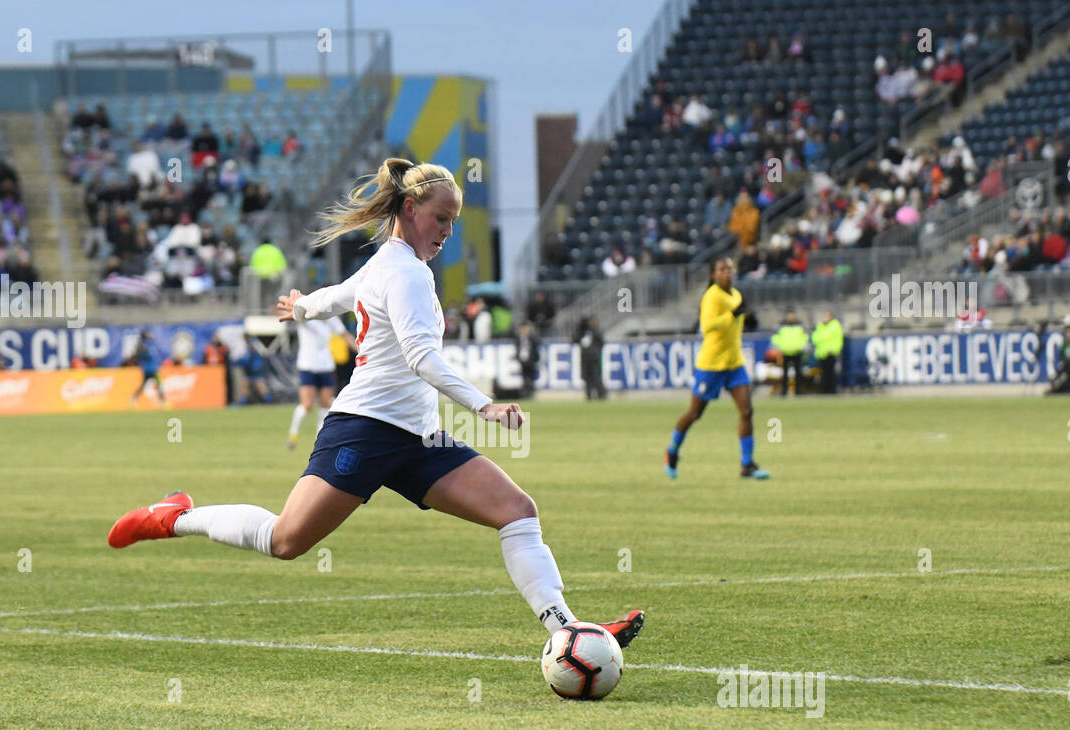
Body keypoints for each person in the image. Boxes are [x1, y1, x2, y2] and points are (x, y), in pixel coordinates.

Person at [107, 158, 644, 648]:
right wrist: (484, 407)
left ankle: (569, 630)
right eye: (441, 219)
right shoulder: (404, 272)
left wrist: (301, 308)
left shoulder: (390, 264)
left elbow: (338, 295)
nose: (447, 232)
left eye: (453, 221)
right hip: (364, 429)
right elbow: (421, 359)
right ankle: (175, 517)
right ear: (410, 209)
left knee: (517, 512)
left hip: (418, 438)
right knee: (286, 539)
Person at [664, 258, 769, 480]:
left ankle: (746, 465)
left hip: (734, 363)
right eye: (722, 270)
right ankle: (672, 451)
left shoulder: (736, 295)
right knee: (694, 414)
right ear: (713, 274)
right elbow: (708, 325)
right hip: (711, 365)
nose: (727, 273)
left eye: (730, 269)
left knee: (747, 411)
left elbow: (735, 324)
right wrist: (732, 315)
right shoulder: (712, 296)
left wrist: (748, 320)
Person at [287, 314, 357, 449]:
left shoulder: (331, 318)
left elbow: (345, 335)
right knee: (307, 405)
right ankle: (293, 433)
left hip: (326, 365)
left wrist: (362, 352)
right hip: (308, 365)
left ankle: (319, 438)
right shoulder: (307, 316)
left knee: (326, 404)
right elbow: (295, 316)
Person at [771, 308, 808, 396]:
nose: (791, 317)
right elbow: (776, 337)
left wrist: (802, 346)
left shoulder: (800, 325)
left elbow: (804, 337)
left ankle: (798, 392)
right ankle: (784, 392)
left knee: (798, 374)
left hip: (797, 352)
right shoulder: (781, 325)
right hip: (785, 352)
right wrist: (778, 347)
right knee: (785, 374)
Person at [575, 316, 607, 400]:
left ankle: (602, 394)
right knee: (587, 377)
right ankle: (589, 395)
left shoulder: (596, 331)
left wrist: (597, 351)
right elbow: (574, 338)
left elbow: (601, 341)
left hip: (594, 358)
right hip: (585, 357)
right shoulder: (582, 331)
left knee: (596, 376)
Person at [812, 311, 844, 394]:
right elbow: (815, 338)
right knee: (823, 373)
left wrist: (835, 349)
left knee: (831, 373)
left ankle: (832, 390)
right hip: (822, 353)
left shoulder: (835, 325)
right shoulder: (821, 326)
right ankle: (824, 390)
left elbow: (836, 338)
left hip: (831, 352)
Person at [130, 330, 165, 406]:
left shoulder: (151, 344)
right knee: (159, 384)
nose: (151, 335)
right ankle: (162, 402)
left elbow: (154, 357)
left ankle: (133, 399)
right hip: (149, 369)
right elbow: (137, 356)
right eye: (149, 334)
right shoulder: (143, 345)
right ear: (145, 335)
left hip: (152, 368)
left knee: (147, 385)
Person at [515, 322, 540, 399]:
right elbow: (518, 348)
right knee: (524, 377)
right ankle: (525, 393)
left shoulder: (531, 338)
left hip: (530, 360)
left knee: (529, 377)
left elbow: (535, 349)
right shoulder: (519, 338)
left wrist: (535, 358)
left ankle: (530, 392)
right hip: (522, 361)